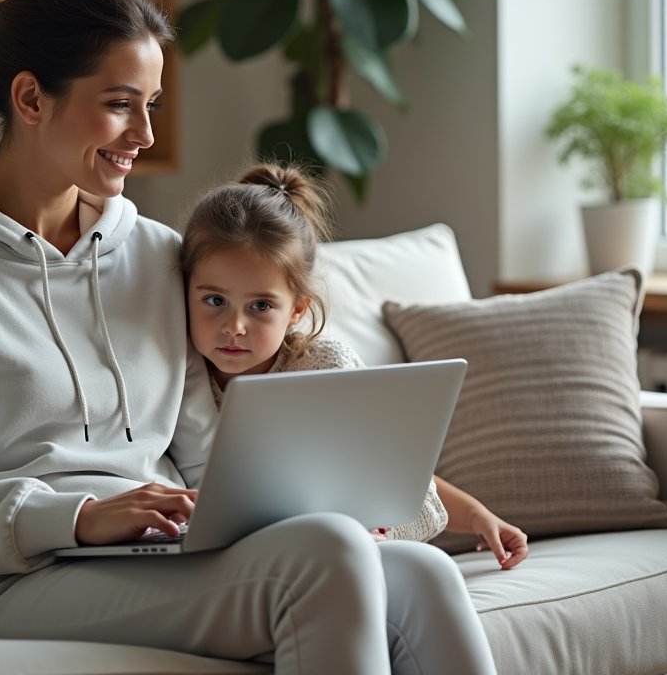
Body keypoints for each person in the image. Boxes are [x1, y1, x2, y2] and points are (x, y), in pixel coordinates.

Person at [0, 0, 499, 674]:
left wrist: (299, 509)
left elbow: (208, 456)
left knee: (418, 573)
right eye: (122, 104)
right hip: (1, 582)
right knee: (327, 557)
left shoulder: (154, 254)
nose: (145, 134)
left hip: (156, 551)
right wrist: (83, 517)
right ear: (30, 98)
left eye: (151, 104)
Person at [180, 163, 530, 563]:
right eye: (215, 301)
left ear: (297, 311)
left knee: (427, 565)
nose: (235, 327)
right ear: (184, 291)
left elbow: (389, 469)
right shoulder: (176, 372)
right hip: (244, 557)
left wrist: (478, 516)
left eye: (260, 306)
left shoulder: (324, 366)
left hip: (339, 544)